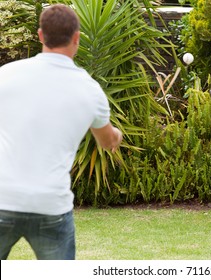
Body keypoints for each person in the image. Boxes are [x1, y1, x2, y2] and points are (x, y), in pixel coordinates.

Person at [0, 4, 123, 259]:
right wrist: (116, 136)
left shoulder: (6, 75)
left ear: (40, 35)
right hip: (51, 206)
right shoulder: (89, 89)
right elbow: (106, 141)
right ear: (77, 38)